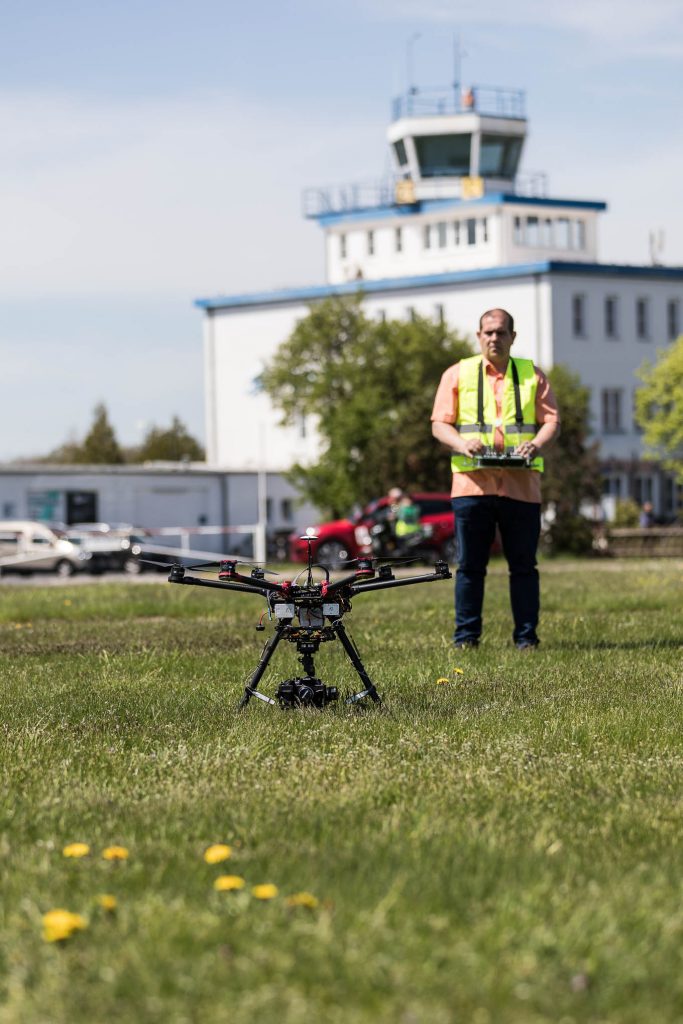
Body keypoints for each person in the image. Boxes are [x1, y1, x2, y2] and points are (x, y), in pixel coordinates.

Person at [431, 308, 560, 650]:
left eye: (501, 332)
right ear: (478, 336)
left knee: (524, 567)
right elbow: (439, 423)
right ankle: (466, 639)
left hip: (521, 488)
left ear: (512, 337)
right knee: (471, 567)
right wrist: (462, 442)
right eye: (488, 332)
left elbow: (551, 421)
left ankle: (526, 639)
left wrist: (536, 444)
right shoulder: (457, 374)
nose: (494, 338)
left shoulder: (533, 375)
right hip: (472, 486)